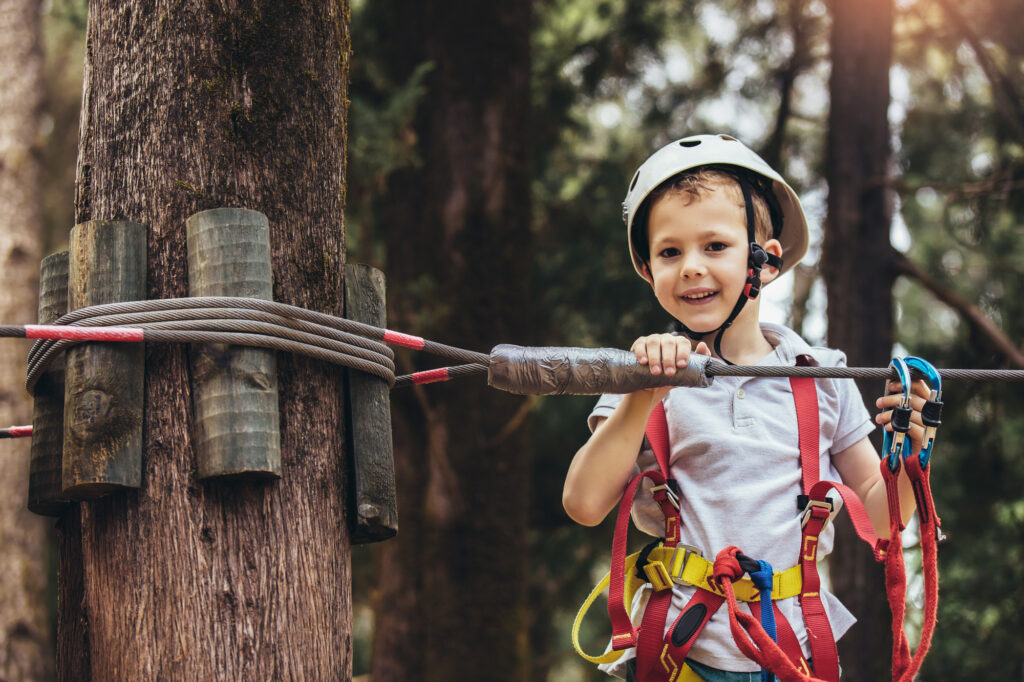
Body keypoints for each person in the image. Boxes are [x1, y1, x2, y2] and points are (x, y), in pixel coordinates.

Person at [562, 134, 931, 682]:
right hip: (680, 652)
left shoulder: (822, 374)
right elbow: (584, 502)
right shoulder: (638, 372)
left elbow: (884, 518)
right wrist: (644, 393)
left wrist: (911, 452)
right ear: (648, 271)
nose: (690, 267)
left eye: (715, 246)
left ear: (768, 261)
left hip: (792, 652)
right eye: (669, 252)